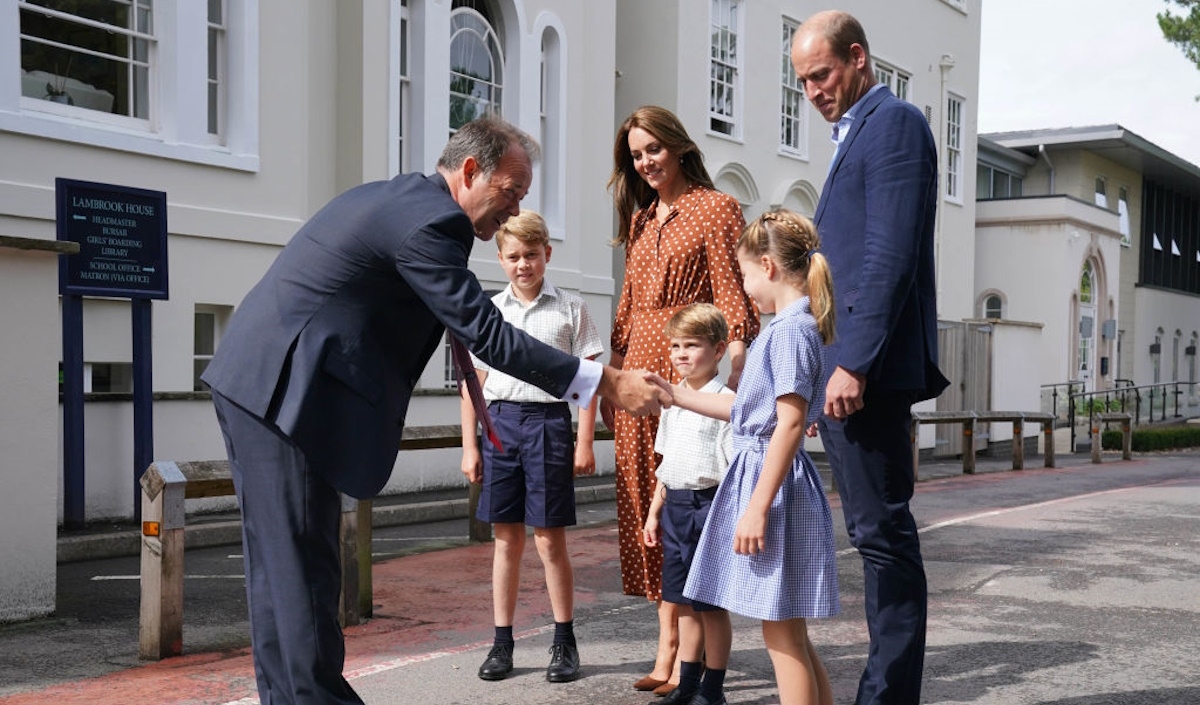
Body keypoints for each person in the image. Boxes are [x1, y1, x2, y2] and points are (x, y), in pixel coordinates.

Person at [201, 116, 671, 705]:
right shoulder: (433, 222)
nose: (515, 207)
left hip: (268, 384)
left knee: (289, 570)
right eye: (511, 191)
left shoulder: (407, 200)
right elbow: (488, 335)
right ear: (471, 171)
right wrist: (605, 381)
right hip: (281, 390)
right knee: (297, 571)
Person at [791, 11, 950, 705]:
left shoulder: (895, 124)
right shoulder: (854, 133)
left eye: (821, 74)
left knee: (883, 536)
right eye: (802, 81)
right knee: (873, 533)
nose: (813, 90)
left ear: (858, 59)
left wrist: (852, 362)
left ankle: (887, 696)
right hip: (847, 370)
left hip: (868, 375)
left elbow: (888, 256)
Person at [604, 105, 760, 695]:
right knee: (648, 509)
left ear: (677, 146)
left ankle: (681, 651)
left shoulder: (716, 208)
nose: (645, 162)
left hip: (684, 374)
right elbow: (625, 308)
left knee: (684, 504)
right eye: (636, 155)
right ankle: (665, 639)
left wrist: (738, 365)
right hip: (635, 379)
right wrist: (611, 378)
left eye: (653, 150)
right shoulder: (643, 219)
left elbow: (732, 292)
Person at [672, 210, 838, 705]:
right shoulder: (791, 327)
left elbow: (788, 423)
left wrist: (757, 507)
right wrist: (675, 395)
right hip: (772, 478)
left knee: (781, 635)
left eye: (743, 273)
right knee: (791, 632)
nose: (744, 285)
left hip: (772, 486)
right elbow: (749, 412)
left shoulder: (787, 331)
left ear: (767, 266)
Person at [459, 210, 604, 684]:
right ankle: (502, 643)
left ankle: (564, 641)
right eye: (514, 256)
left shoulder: (570, 308)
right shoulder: (490, 312)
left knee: (549, 539)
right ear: (499, 258)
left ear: (548, 253)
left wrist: (585, 441)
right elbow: (472, 387)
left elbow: (588, 381)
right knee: (506, 540)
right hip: (500, 425)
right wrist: (471, 447)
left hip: (548, 425)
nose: (524, 264)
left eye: (532, 255)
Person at [641, 303, 736, 705]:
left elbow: (734, 470)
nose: (680, 353)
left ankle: (713, 689)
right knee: (681, 602)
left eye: (692, 345)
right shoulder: (671, 402)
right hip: (677, 507)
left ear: (718, 350)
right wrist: (653, 512)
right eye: (676, 345)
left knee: (710, 606)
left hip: (710, 506)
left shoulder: (727, 402)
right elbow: (667, 466)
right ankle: (688, 682)